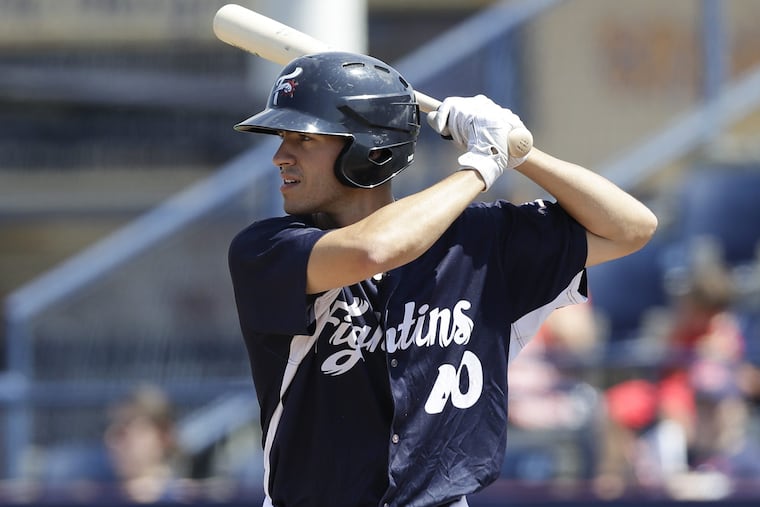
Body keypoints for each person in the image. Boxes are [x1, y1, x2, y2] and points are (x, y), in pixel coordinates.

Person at [227, 51, 657, 507]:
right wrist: (481, 164)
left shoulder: (479, 242)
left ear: (372, 149)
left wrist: (520, 154)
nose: (280, 157)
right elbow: (375, 249)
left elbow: (633, 226)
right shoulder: (267, 248)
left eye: (304, 139)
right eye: (282, 137)